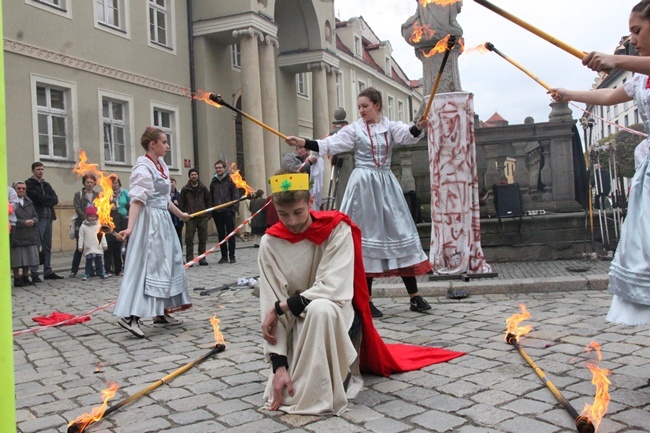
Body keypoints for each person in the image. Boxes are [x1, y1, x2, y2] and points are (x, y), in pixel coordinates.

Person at [259, 172, 464, 415]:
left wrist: (281, 306)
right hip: (296, 323)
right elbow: (270, 304)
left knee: (320, 308)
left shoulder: (336, 229)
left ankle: (329, 383)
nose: (292, 222)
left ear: (311, 201)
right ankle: (300, 380)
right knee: (308, 319)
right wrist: (278, 365)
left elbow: (334, 287)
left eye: (298, 212)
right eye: (283, 214)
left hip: (334, 314)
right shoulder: (270, 243)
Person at [285, 87, 432, 318]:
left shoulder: (390, 127)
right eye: (359, 106)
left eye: (365, 106)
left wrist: (418, 127)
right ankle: (366, 301)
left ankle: (414, 297)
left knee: (399, 233)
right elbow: (329, 144)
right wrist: (302, 140)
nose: (361, 110)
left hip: (386, 185)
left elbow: (408, 134)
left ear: (377, 105)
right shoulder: (355, 130)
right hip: (363, 188)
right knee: (364, 241)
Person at [551, 0, 650, 326]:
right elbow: (608, 96)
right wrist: (568, 94)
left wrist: (614, 58)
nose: (632, 38)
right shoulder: (640, 80)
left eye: (637, 30)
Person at [113, 127, 192, 338]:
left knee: (169, 264)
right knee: (148, 267)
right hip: (150, 223)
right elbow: (138, 199)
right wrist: (130, 227)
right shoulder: (143, 168)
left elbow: (164, 200)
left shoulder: (161, 165)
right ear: (152, 145)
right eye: (164, 142)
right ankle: (131, 316)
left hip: (163, 221)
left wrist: (181, 214)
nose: (167, 146)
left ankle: (161, 312)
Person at [25, 162, 64, 282]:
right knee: (36, 245)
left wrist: (45, 200)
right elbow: (35, 198)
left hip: (48, 217)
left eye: (42, 169)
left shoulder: (46, 184)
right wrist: (47, 200)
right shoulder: (28, 184)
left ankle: (48, 270)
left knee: (47, 246)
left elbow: (55, 199)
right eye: (38, 169)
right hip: (38, 217)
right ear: (33, 170)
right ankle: (35, 273)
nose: (40, 171)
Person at [209, 160, 240, 264]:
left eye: (220, 167)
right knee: (221, 235)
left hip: (228, 211)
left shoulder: (230, 180)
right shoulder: (213, 182)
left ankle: (232, 256)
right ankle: (223, 256)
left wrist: (233, 209)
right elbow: (211, 197)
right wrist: (213, 210)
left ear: (224, 168)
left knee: (230, 234)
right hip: (218, 212)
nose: (218, 169)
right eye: (216, 168)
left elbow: (235, 196)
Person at [179, 168, 211, 265]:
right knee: (189, 239)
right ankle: (190, 259)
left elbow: (209, 202)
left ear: (198, 176)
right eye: (192, 174)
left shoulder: (203, 188)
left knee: (203, 238)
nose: (194, 176)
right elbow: (182, 203)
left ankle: (202, 258)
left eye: (195, 174)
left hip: (202, 217)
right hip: (190, 218)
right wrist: (183, 215)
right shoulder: (185, 190)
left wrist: (208, 216)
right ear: (189, 176)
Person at [10, 181, 39, 287]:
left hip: (29, 233)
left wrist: (33, 220)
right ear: (15, 189)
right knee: (17, 258)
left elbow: (36, 215)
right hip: (17, 233)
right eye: (19, 188)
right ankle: (17, 278)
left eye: (23, 188)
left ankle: (26, 276)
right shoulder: (11, 202)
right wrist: (23, 222)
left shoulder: (29, 202)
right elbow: (10, 218)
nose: (21, 190)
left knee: (28, 257)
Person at [70, 174, 98, 278]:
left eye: (91, 182)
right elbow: (77, 207)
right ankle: (74, 270)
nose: (90, 184)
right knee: (80, 247)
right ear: (84, 183)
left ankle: (91, 269)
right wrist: (86, 218)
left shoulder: (97, 195)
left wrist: (95, 218)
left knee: (93, 246)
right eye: (88, 182)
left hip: (94, 224)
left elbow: (100, 207)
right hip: (82, 223)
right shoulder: (79, 194)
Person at [281, 145, 324, 210]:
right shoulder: (289, 158)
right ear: (298, 148)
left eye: (309, 151)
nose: (308, 153)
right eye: (306, 150)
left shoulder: (305, 159)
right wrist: (309, 163)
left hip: (304, 193)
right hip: (291, 193)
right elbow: (293, 170)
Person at [77, 206, 107, 281]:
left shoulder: (99, 225)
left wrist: (104, 244)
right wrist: (80, 246)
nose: (92, 218)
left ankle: (101, 272)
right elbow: (81, 237)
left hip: (97, 246)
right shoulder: (83, 226)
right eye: (90, 216)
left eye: (94, 216)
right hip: (89, 246)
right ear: (87, 216)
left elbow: (102, 236)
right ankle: (87, 273)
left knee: (99, 261)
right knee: (89, 261)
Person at [169, 177, 184, 244]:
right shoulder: (166, 195)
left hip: (178, 221)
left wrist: (178, 203)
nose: (171, 184)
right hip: (169, 220)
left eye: (172, 182)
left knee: (178, 238)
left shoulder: (179, 194)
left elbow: (183, 205)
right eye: (170, 182)